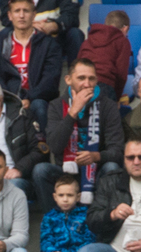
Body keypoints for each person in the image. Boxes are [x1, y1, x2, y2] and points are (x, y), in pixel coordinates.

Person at [39, 58, 125, 209]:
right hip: (66, 170)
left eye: (91, 79)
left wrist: (96, 156)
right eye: (81, 78)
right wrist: (73, 112)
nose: (87, 84)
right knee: (41, 171)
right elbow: (54, 146)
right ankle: (55, 218)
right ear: (68, 80)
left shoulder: (108, 106)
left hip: (96, 170)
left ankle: (103, 217)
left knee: (111, 167)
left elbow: (117, 151)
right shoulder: (56, 105)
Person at [0, 0, 62, 119]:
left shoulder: (49, 44)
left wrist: (29, 98)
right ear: (10, 15)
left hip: (37, 99)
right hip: (9, 98)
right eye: (17, 11)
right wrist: (11, 98)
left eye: (26, 11)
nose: (21, 15)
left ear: (34, 14)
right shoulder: (1, 44)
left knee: (39, 106)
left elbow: (50, 81)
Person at [40, 172, 94, 252]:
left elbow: (90, 239)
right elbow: (45, 240)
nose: (65, 199)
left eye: (70, 195)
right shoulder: (49, 217)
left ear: (78, 197)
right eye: (61, 195)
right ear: (55, 197)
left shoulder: (86, 215)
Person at [78, 10, 132, 93]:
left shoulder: (88, 40)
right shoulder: (123, 41)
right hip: (105, 84)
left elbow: (77, 63)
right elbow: (121, 74)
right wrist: (116, 97)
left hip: (82, 84)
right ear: (125, 28)